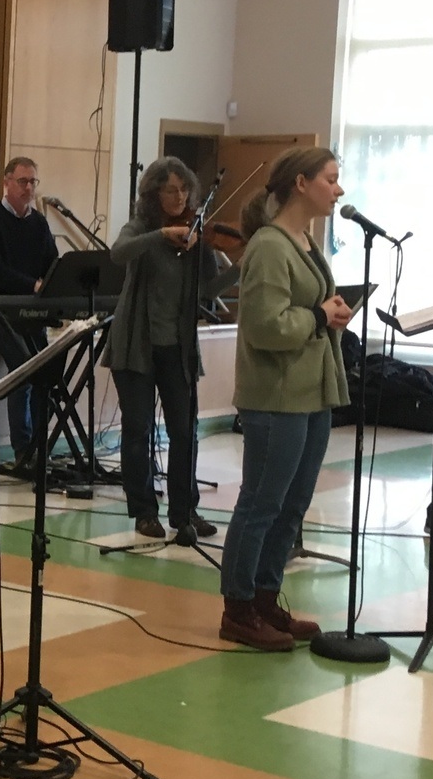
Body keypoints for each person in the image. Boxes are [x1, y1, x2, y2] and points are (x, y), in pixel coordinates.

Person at [216, 148, 349, 651]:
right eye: (330, 179)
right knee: (261, 503)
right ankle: (238, 608)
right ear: (300, 183)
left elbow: (308, 310)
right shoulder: (270, 246)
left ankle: (266, 598)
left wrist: (330, 314)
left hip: (311, 390)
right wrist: (318, 316)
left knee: (293, 505)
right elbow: (264, 325)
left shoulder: (305, 241)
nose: (338, 189)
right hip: (276, 395)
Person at [107, 157, 235, 545]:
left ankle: (185, 511)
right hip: (136, 344)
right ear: (154, 194)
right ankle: (144, 511)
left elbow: (208, 291)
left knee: (184, 431)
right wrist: (161, 234)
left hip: (178, 348)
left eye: (184, 189)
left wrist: (242, 265)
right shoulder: (141, 227)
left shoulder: (196, 236)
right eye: (170, 190)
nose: (179, 197)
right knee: (138, 429)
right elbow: (118, 252)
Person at [0, 156, 58, 472]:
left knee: (46, 372)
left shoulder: (39, 223)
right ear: (6, 182)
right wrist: (31, 284)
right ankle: (23, 451)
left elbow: (52, 261)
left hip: (33, 309)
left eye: (33, 182)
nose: (28, 188)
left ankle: (40, 448)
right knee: (23, 370)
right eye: (22, 181)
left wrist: (52, 284)